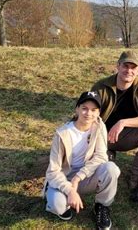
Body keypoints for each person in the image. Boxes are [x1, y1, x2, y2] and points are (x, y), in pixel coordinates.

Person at [43, 91, 119, 229]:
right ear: (77, 109)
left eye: (93, 110)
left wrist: (78, 178)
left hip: (85, 175)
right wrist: (70, 190)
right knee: (58, 205)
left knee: (111, 169)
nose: (88, 113)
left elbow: (101, 156)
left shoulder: (99, 126)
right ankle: (55, 193)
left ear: (98, 113)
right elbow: (53, 170)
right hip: (65, 177)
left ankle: (101, 206)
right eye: (84, 108)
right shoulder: (62, 134)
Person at [91, 51, 138, 191]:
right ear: (118, 66)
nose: (129, 71)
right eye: (125, 66)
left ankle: (136, 179)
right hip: (101, 137)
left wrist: (122, 123)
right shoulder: (101, 87)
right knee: (102, 174)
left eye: (133, 67)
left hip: (127, 136)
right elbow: (87, 113)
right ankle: (106, 154)